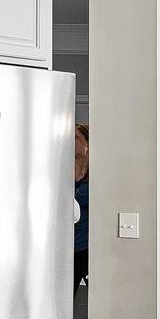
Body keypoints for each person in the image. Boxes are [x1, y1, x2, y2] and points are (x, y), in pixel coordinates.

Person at [72, 123, 90, 292]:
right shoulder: (62, 170)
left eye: (76, 137)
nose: (70, 141)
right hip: (67, 246)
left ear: (87, 144)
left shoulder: (94, 177)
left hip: (85, 246)